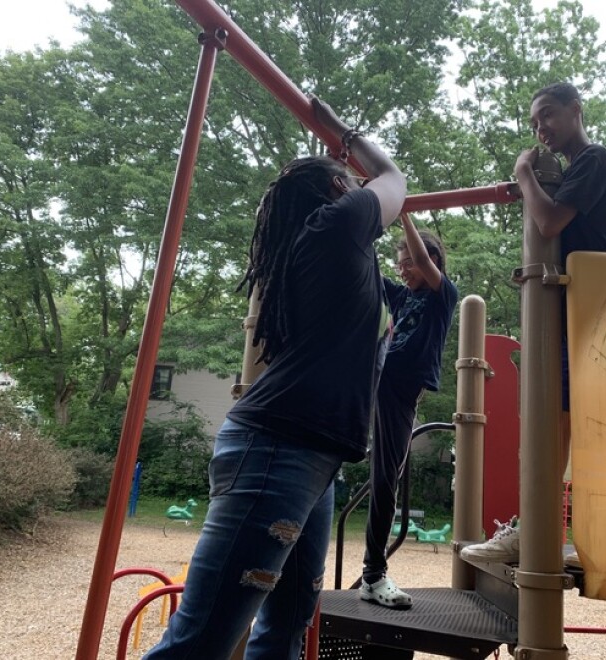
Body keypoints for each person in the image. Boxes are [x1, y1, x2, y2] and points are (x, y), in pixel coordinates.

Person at [144, 94, 406, 660]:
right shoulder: (336, 226)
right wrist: (343, 133)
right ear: (339, 190)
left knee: (286, 629)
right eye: (347, 178)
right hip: (277, 453)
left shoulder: (319, 251)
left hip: (310, 458)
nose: (357, 185)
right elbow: (390, 176)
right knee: (197, 645)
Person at [460, 81, 606, 564]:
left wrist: (522, 173)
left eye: (548, 115)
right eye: (534, 122)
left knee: (556, 423)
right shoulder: (582, 168)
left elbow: (549, 221)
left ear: (576, 111)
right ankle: (553, 530)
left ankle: (535, 529)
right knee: (563, 423)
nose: (541, 129)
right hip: (583, 311)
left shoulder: (594, 160)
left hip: (592, 311)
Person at [359, 215, 458, 608]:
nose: (403, 270)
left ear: (431, 260)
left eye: (409, 263)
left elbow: (422, 257)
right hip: (374, 380)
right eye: (399, 265)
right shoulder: (401, 296)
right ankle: (373, 574)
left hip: (400, 393)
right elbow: (364, 263)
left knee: (386, 479)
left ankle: (373, 576)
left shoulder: (442, 294)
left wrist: (403, 214)